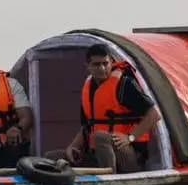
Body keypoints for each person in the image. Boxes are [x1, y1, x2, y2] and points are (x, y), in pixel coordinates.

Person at [60, 44, 161, 174]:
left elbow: (154, 114)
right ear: (88, 66)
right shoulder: (88, 89)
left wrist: (130, 138)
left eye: (105, 63)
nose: (102, 68)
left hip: (129, 153)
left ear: (112, 62)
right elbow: (87, 126)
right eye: (96, 64)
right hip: (97, 153)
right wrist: (73, 146)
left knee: (100, 137)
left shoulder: (124, 85)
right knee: (53, 157)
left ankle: (110, 181)